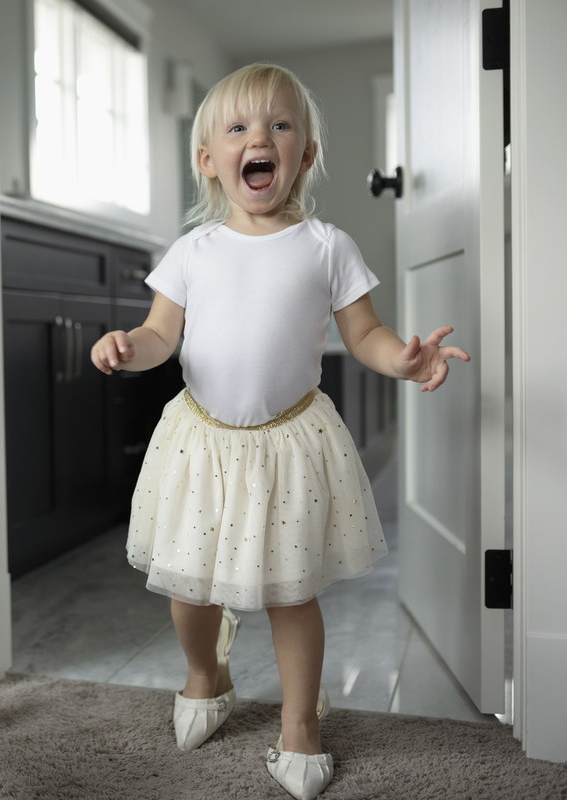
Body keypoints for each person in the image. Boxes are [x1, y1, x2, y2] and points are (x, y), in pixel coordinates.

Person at [89, 63, 469, 800]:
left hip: (290, 445)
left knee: (292, 593)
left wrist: (404, 358)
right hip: (201, 444)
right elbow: (160, 334)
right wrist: (127, 349)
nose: (258, 139)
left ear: (305, 155)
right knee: (190, 587)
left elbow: (366, 335)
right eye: (237, 129)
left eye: (279, 126)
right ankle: (207, 672)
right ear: (209, 160)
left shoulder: (327, 247)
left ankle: (300, 722)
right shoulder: (193, 250)